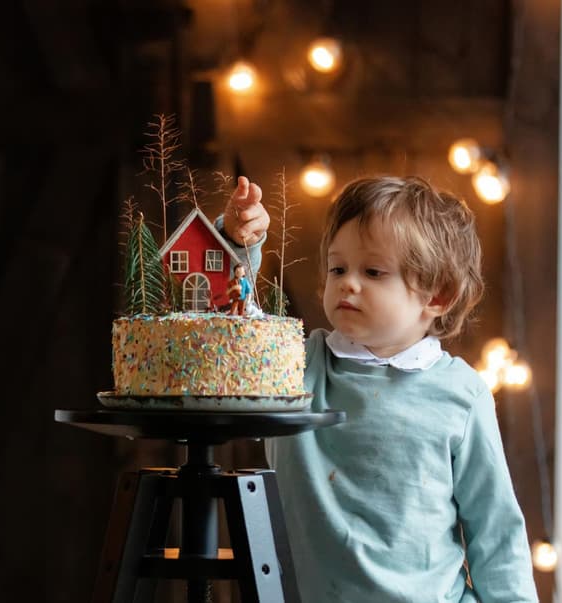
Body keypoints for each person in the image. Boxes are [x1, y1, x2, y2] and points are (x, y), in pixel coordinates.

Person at [219, 175, 538, 602]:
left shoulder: (461, 394)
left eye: (373, 271)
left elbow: (496, 531)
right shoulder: (295, 365)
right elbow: (230, 330)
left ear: (438, 296)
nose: (348, 282)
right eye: (338, 268)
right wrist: (240, 245)